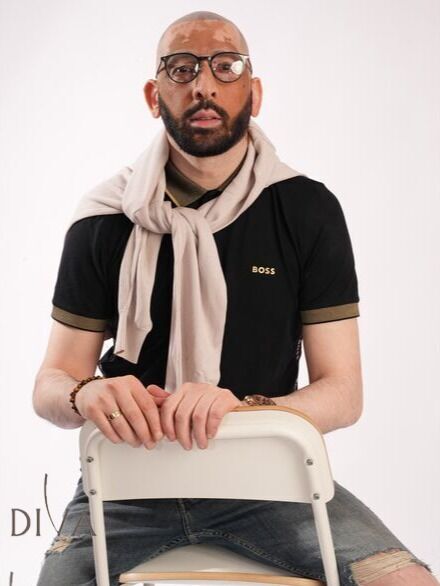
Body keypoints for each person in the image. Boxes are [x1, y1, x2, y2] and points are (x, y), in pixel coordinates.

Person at [32, 10, 437, 586]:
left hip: (270, 484)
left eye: (226, 66)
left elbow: (344, 394)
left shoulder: (306, 210)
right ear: (153, 95)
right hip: (126, 487)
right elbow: (50, 385)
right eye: (182, 68)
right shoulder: (104, 219)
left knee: (408, 582)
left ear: (255, 92)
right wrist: (86, 391)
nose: (204, 85)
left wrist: (241, 411)